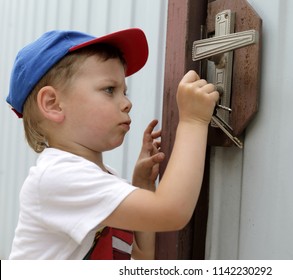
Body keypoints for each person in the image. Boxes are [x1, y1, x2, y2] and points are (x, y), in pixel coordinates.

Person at [6, 28, 219, 259]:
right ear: (53, 104)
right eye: (110, 90)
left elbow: (141, 257)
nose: (127, 103)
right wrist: (193, 121)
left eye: (124, 92)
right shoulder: (58, 177)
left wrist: (143, 186)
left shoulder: (100, 178)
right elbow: (172, 211)